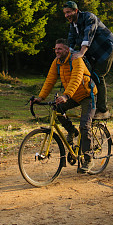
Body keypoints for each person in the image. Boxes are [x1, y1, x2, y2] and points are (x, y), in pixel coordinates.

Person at [32, 39, 97, 173]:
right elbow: (50, 80)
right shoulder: (56, 62)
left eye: (59, 49)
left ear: (67, 50)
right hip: (72, 95)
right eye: (55, 49)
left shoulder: (76, 59)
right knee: (58, 108)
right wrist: (40, 97)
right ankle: (72, 131)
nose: (57, 51)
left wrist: (66, 96)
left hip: (87, 95)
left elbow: (76, 78)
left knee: (85, 126)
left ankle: (88, 159)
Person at [63, 0, 113, 120]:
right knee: (89, 76)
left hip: (107, 48)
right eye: (65, 13)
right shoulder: (73, 25)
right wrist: (64, 56)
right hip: (94, 52)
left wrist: (81, 52)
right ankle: (91, 107)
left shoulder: (89, 17)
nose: (67, 15)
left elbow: (88, 35)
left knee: (97, 75)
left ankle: (103, 110)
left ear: (76, 10)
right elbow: (71, 41)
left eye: (69, 12)